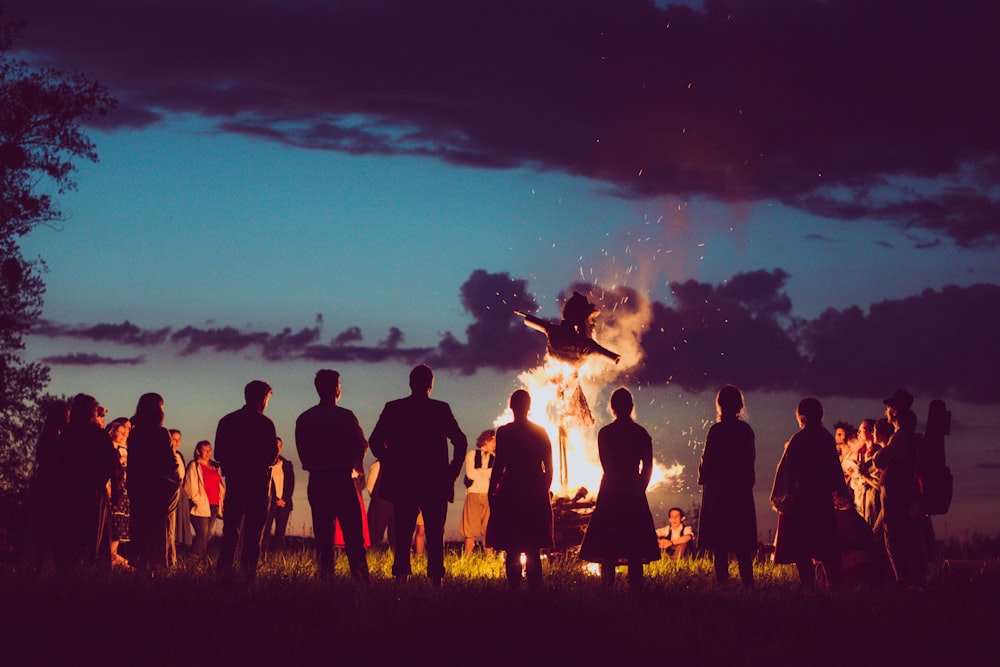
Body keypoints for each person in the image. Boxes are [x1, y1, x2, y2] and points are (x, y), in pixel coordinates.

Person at [369, 364, 467, 586]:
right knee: (435, 532)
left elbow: (375, 441)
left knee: (403, 532)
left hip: (404, 479)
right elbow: (460, 440)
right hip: (435, 480)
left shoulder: (394, 408)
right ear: (431, 385)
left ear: (410, 384)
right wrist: (453, 470)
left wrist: (391, 460)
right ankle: (435, 580)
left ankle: (401, 579)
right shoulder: (440, 409)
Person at [579, 388, 660, 589]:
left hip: (610, 492)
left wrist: (617, 487)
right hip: (633, 491)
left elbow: (607, 465)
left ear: (612, 408)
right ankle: (636, 588)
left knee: (608, 543)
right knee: (635, 543)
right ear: (631, 407)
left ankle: (607, 587)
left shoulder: (605, 433)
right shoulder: (641, 434)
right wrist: (638, 488)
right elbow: (648, 467)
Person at [295, 369, 369, 581]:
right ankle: (360, 577)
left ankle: (326, 578)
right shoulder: (345, 416)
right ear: (337, 389)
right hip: (341, 479)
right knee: (353, 534)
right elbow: (360, 444)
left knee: (323, 535)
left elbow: (303, 452)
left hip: (317, 480)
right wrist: (357, 464)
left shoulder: (305, 418)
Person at [770, 397, 852, 590]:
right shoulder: (826, 439)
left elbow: (786, 469)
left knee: (804, 546)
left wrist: (784, 493)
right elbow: (834, 469)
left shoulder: (798, 440)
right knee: (826, 543)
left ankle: (808, 584)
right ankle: (835, 584)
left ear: (802, 417)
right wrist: (840, 490)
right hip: (822, 499)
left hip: (803, 501)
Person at [487, 389, 554, 590]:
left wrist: (492, 491)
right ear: (528, 407)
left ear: (512, 407)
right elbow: (549, 468)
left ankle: (514, 590)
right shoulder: (540, 432)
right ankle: (534, 591)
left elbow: (499, 466)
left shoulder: (504, 432)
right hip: (533, 489)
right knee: (532, 547)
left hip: (512, 489)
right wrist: (543, 489)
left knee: (513, 546)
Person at [214, 380, 279, 583]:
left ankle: (223, 572)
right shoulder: (265, 424)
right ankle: (247, 575)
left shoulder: (227, 421)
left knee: (230, 531)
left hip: (235, 482)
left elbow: (218, 454)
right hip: (258, 484)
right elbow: (270, 457)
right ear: (263, 399)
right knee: (253, 534)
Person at [698, 385, 757, 588]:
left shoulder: (716, 430)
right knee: (741, 544)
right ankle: (748, 584)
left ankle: (723, 585)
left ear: (720, 405)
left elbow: (707, 461)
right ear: (739, 406)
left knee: (720, 545)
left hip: (720, 493)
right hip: (740, 492)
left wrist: (704, 477)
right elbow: (750, 462)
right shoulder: (745, 431)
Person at [52, 394, 119, 569]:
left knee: (73, 535)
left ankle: (74, 571)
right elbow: (114, 464)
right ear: (91, 412)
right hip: (92, 492)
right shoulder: (97, 435)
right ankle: (92, 571)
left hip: (70, 491)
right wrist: (115, 487)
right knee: (92, 535)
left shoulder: (68, 435)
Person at [870, 389, 926, 589]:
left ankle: (905, 585)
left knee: (895, 541)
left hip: (897, 500)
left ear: (895, 411)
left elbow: (880, 459)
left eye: (888, 408)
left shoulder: (901, 437)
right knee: (908, 541)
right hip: (903, 499)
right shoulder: (905, 436)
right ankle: (914, 583)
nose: (886, 412)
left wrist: (878, 455)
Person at [127, 393, 182, 573]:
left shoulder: (134, 435)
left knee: (142, 533)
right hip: (158, 491)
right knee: (158, 533)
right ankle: (156, 572)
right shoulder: (160, 434)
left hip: (140, 490)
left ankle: (143, 570)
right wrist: (175, 481)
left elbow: (134, 465)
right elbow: (170, 463)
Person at [20, 399, 70, 569]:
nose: (68, 418)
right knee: (46, 525)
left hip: (48, 484)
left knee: (44, 525)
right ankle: (40, 562)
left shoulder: (53, 435)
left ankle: (40, 561)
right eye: (66, 415)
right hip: (49, 485)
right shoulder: (52, 437)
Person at [183, 440, 225, 559]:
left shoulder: (214, 467)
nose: (208, 452)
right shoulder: (194, 465)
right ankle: (193, 557)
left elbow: (219, 484)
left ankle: (201, 559)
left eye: (210, 450)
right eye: (205, 450)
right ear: (198, 451)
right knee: (202, 533)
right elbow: (190, 486)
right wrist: (197, 500)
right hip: (201, 504)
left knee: (207, 534)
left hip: (214, 504)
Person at [461, 429, 496, 555]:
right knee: (470, 530)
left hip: (489, 496)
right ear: (486, 440)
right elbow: (470, 474)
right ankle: (466, 561)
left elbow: (495, 474)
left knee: (489, 529)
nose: (495, 444)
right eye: (494, 441)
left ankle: (489, 560)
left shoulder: (495, 457)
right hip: (474, 494)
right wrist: (487, 473)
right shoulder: (471, 454)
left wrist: (480, 471)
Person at [106, 417, 132, 568]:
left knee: (119, 527)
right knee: (113, 525)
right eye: (120, 432)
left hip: (122, 491)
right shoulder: (111, 452)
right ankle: (112, 557)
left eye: (125, 432)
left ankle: (114, 556)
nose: (123, 434)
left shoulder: (118, 451)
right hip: (113, 491)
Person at [167, 428, 193, 565]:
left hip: (180, 492)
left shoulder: (179, 455)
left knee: (180, 523)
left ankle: (179, 552)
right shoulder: (165, 455)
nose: (176, 442)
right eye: (173, 439)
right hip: (170, 492)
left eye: (178, 440)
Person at [265, 437, 295, 552]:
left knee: (280, 533)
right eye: (275, 446)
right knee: (265, 531)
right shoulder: (266, 465)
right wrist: (273, 500)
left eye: (280, 446)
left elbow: (291, 484)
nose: (278, 449)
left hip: (284, 503)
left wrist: (285, 500)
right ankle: (262, 555)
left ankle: (280, 556)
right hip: (269, 503)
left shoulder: (287, 465)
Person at [365, 458, 394, 549]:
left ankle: (392, 552)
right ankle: (373, 552)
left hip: (391, 503)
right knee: (375, 532)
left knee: (395, 532)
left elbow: (370, 486)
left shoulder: (379, 463)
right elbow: (370, 486)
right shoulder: (378, 464)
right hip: (381, 502)